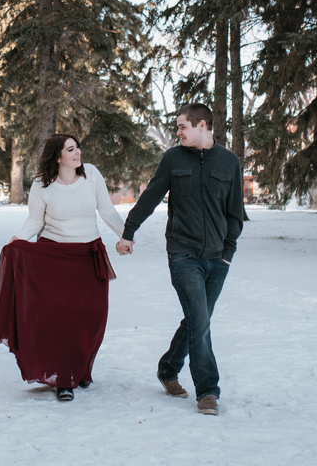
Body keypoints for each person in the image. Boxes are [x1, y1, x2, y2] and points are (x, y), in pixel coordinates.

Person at [115, 102, 243, 416]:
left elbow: (235, 213)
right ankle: (208, 392)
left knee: (197, 321)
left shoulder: (229, 162)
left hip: (217, 258)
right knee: (200, 322)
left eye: (183, 126)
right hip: (182, 254)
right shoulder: (173, 158)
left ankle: (168, 368)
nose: (178, 132)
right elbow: (150, 197)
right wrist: (128, 232)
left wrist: (227, 253)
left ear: (202, 126)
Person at [0, 134, 126, 402]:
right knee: (61, 321)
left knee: (92, 316)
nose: (78, 153)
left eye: (78, 148)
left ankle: (82, 368)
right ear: (58, 156)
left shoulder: (92, 175)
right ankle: (64, 378)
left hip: (89, 255)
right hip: (55, 257)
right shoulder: (42, 185)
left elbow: (107, 211)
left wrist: (126, 235)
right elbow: (34, 220)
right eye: (71, 149)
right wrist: (20, 239)